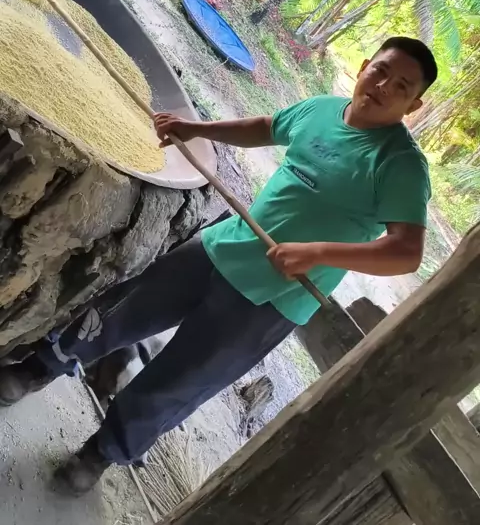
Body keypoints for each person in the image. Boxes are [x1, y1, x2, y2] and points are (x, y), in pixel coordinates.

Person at [0, 36, 437, 494]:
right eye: (381, 71)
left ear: (413, 105)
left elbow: (406, 252)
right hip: (226, 244)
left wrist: (318, 254)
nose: (383, 86)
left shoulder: (401, 165)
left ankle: (98, 455)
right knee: (122, 309)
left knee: (182, 378)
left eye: (401, 86)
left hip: (274, 297)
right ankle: (38, 368)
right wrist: (196, 129)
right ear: (365, 66)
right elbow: (266, 127)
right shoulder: (323, 109)